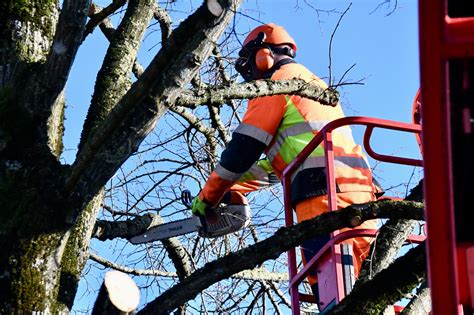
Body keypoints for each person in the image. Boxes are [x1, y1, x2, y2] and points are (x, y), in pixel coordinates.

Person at [191, 23, 378, 303]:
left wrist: (208, 197)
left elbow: (241, 151)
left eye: (249, 64)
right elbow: (279, 167)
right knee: (371, 293)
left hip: (323, 198)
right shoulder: (311, 84)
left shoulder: (276, 84)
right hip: (360, 192)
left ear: (263, 54)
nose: (250, 75)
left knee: (335, 297)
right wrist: (234, 189)